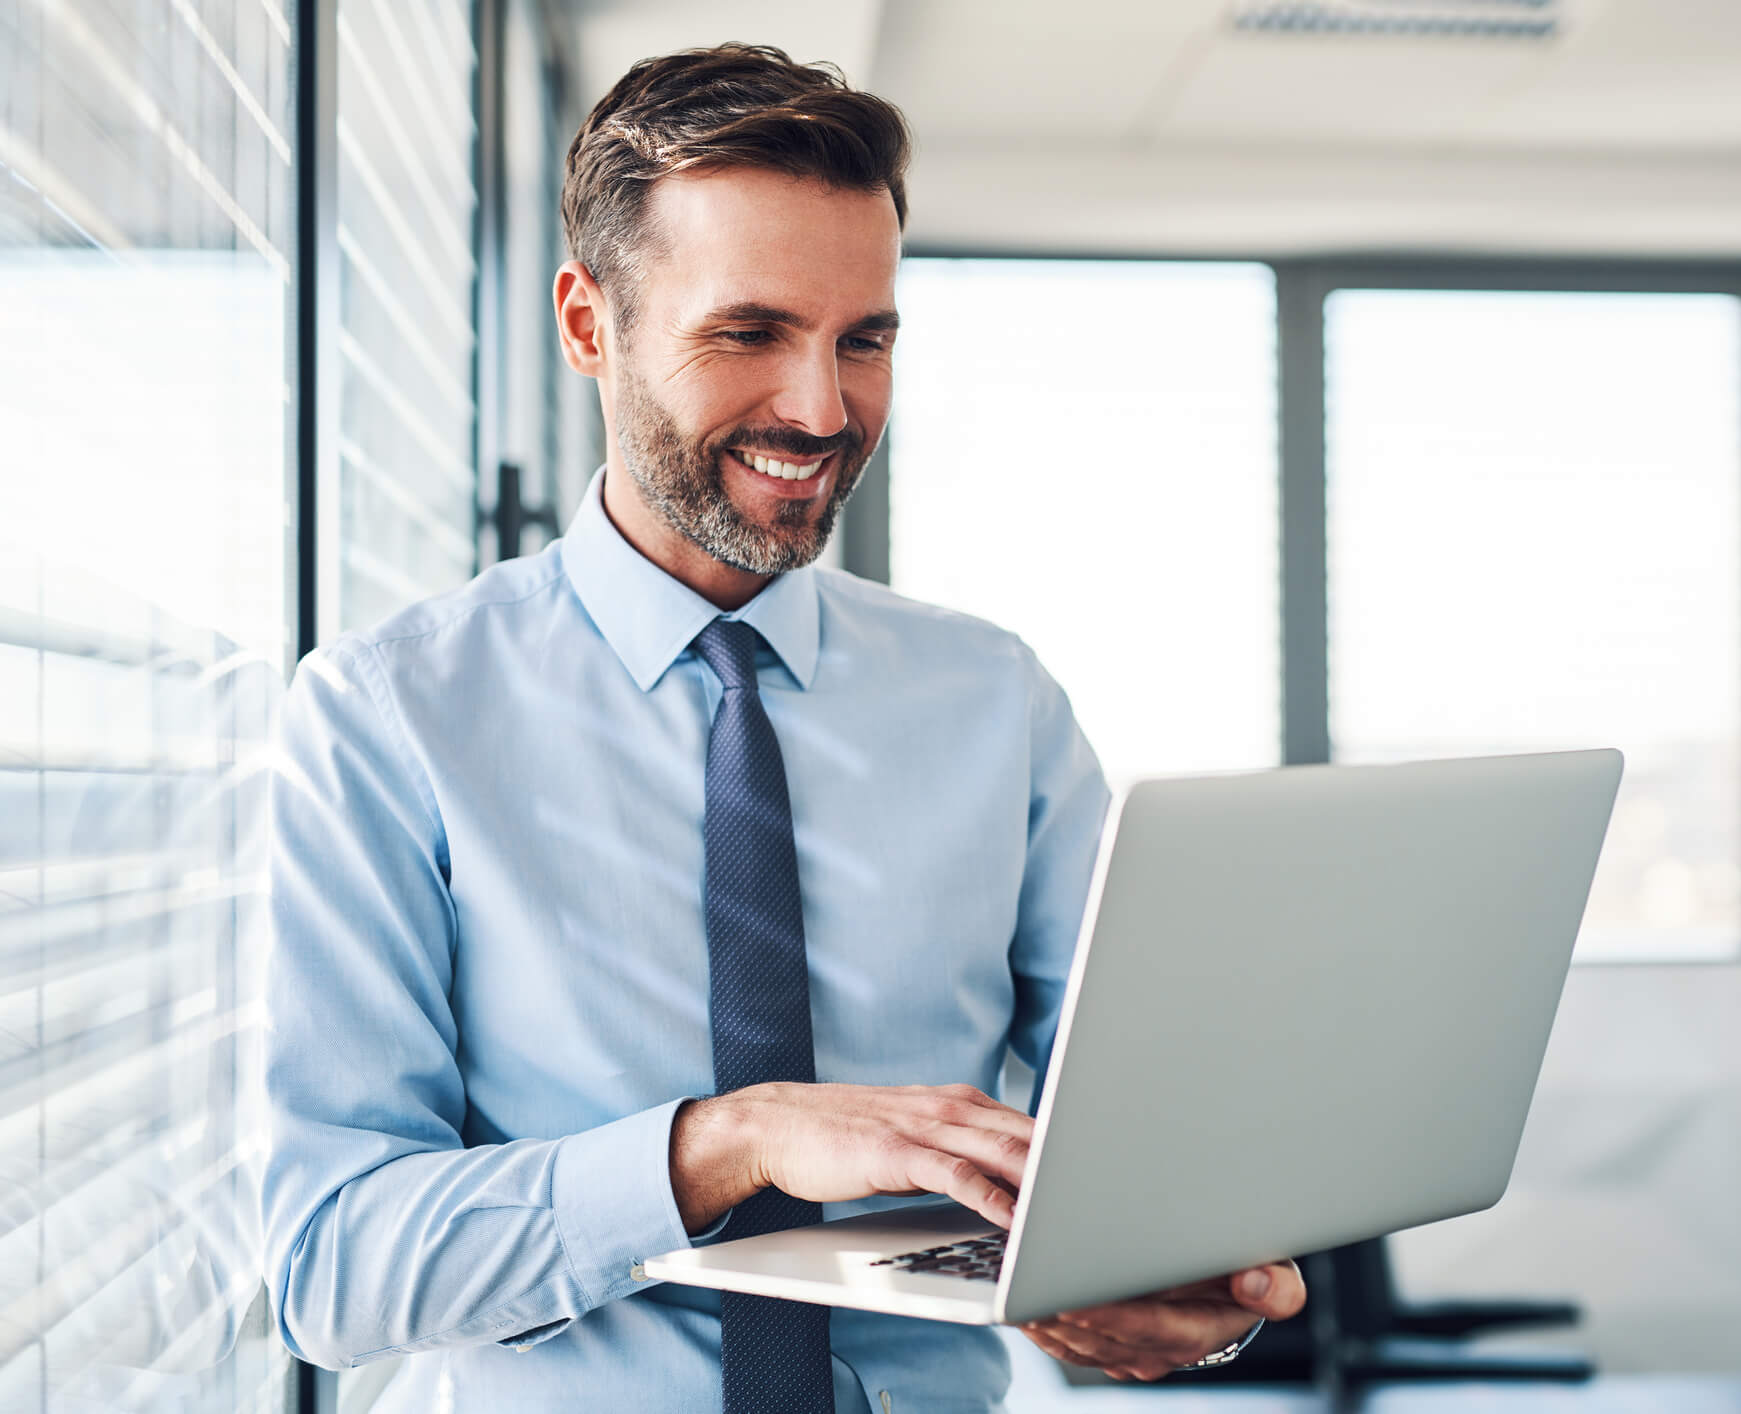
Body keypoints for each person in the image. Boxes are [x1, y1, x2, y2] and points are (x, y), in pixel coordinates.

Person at [259, 43, 1305, 1414]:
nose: (822, 410)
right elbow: (333, 1268)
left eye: (863, 339)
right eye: (749, 332)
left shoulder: (996, 703)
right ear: (589, 324)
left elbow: (1138, 1156)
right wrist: (728, 1142)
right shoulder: (386, 718)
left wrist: (1184, 1293)